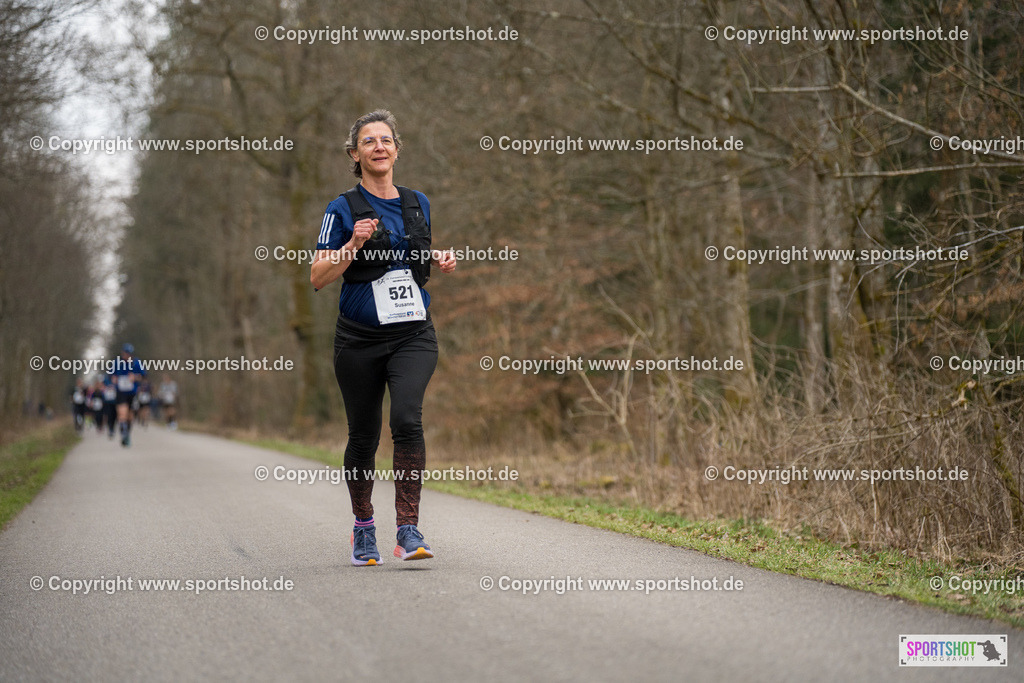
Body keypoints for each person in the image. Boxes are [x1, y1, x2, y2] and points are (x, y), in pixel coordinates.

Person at [311, 109, 456, 566]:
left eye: (386, 140)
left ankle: (408, 529)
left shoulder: (418, 203)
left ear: (397, 148)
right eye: (369, 141)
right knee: (363, 436)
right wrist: (352, 245)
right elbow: (317, 276)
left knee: (408, 419)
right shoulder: (341, 208)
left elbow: (414, 261)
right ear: (355, 154)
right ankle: (363, 528)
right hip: (358, 341)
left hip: (413, 333)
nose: (379, 146)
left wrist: (440, 260)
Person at [109, 343, 145, 446]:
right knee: (122, 413)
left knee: (130, 416)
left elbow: (143, 377)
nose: (126, 356)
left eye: (128, 354)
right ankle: (123, 432)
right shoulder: (116, 363)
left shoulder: (137, 363)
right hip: (121, 392)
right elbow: (110, 376)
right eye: (125, 354)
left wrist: (135, 377)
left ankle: (127, 434)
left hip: (132, 393)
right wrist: (114, 379)